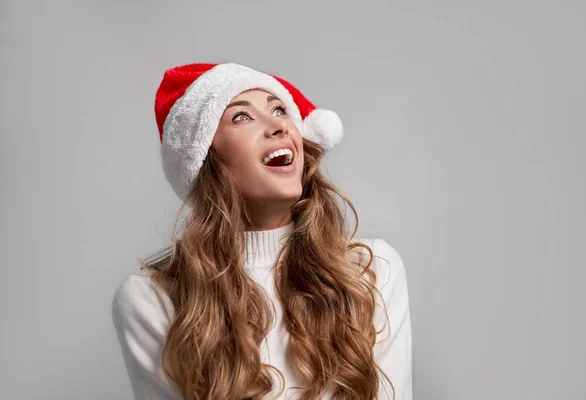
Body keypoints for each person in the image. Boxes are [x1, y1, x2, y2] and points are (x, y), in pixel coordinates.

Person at [111, 62, 413, 400]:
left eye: (280, 109)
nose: (279, 126)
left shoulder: (370, 271)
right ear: (204, 159)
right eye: (241, 117)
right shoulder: (152, 300)